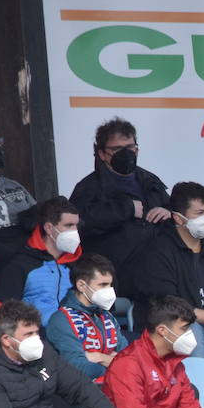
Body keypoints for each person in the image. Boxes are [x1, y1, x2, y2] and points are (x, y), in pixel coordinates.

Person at [137, 182, 204, 361]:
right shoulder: (158, 251)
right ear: (178, 218)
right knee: (191, 331)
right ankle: (199, 380)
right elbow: (169, 306)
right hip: (181, 330)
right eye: (199, 213)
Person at [101, 295, 204, 408]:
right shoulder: (128, 364)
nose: (189, 335)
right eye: (184, 328)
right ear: (162, 330)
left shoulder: (176, 364)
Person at [67, 118, 171, 297]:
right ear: (102, 154)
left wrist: (168, 213)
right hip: (113, 279)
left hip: (154, 275)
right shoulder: (88, 187)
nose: (125, 153)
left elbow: (177, 213)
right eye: (116, 149)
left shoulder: (150, 181)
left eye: (130, 147)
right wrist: (126, 208)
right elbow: (80, 224)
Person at [0, 197, 83, 323]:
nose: (74, 231)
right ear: (49, 228)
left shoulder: (77, 264)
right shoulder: (20, 264)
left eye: (76, 225)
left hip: (75, 331)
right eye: (68, 225)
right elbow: (3, 312)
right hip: (36, 332)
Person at [45, 253, 128, 382]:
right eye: (103, 285)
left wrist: (100, 358)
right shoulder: (61, 320)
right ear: (81, 286)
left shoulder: (107, 316)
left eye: (110, 284)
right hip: (80, 391)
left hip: (114, 385)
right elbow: (79, 368)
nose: (109, 290)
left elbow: (130, 358)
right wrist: (116, 363)